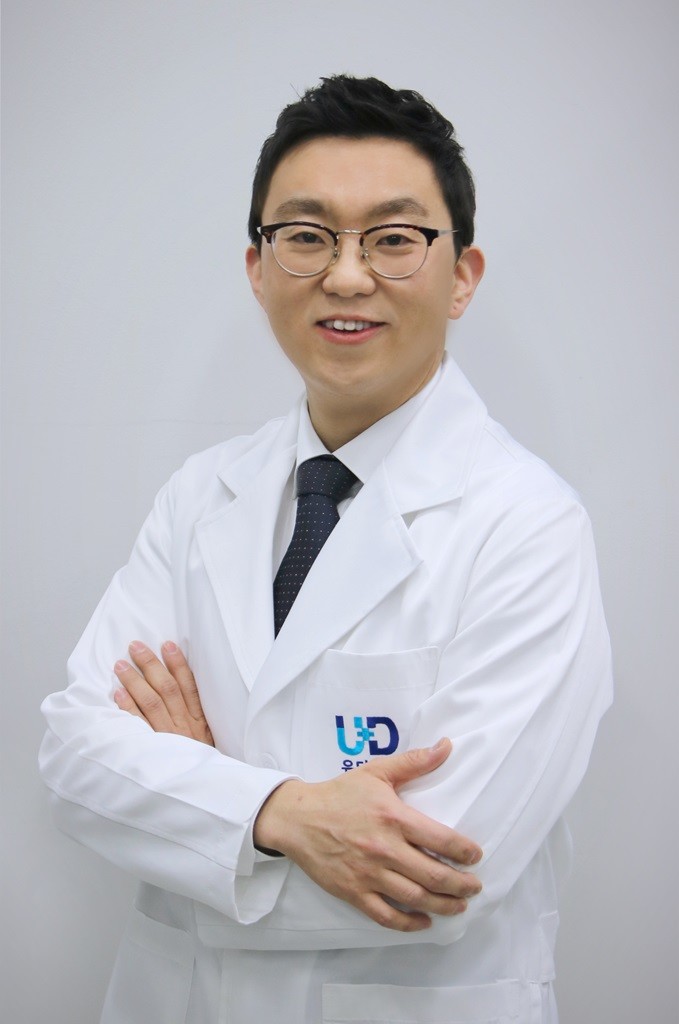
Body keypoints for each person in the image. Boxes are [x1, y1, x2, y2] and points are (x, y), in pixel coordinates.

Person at [39, 75, 612, 1024]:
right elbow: (74, 761)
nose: (346, 277)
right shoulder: (199, 496)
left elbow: (437, 877)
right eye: (306, 236)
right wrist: (280, 813)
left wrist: (194, 808)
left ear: (461, 275)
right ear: (258, 268)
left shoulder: (527, 525)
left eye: (393, 238)